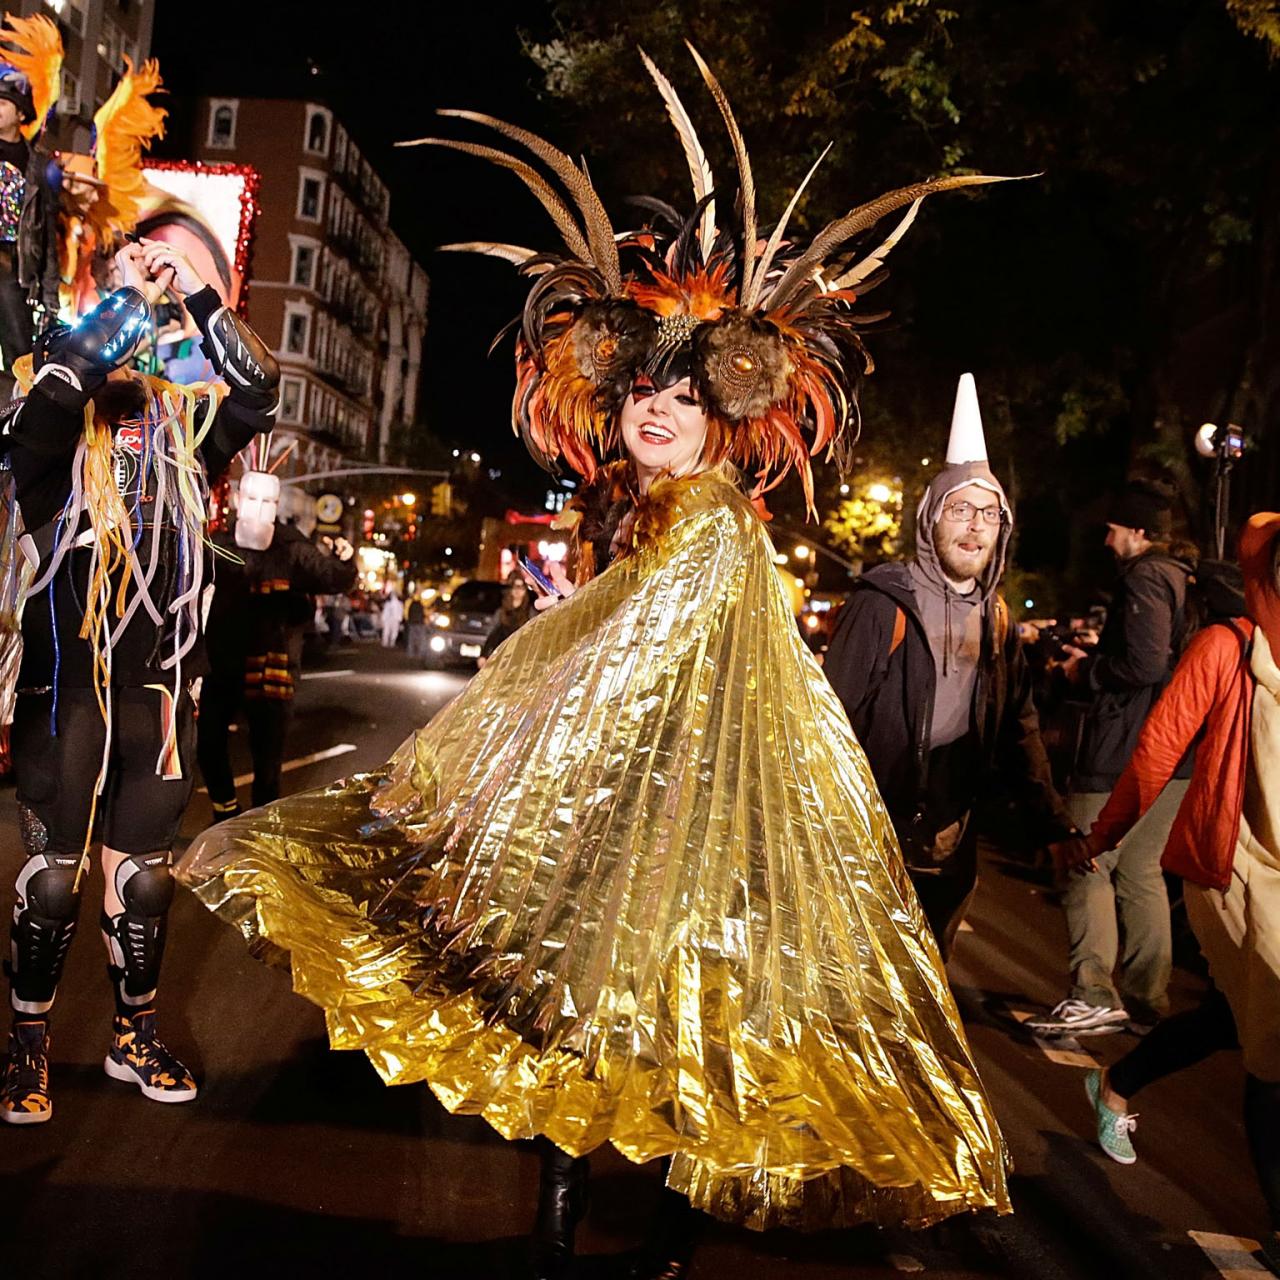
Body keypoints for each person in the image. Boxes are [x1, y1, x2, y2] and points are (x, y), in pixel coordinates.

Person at [178, 47, 1015, 1280]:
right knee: (586, 1036)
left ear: (727, 413)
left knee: (662, 1039)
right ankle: (583, 1233)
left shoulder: (714, 525)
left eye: (682, 392)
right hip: (633, 829)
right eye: (639, 392)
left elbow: (621, 671)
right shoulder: (662, 519)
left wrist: (477, 774)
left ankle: (644, 1238)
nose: (654, 407)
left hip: (693, 842)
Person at [0, 238, 279, 1124]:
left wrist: (193, 290)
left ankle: (135, 1034)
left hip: (158, 696)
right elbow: (73, 370)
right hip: (65, 691)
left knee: (148, 878)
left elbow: (261, 389)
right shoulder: (44, 433)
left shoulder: (188, 443)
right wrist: (123, 295)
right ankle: (28, 1046)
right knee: (52, 878)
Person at [1060, 513, 1280, 1275]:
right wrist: (1101, 837)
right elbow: (1158, 749)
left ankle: (1119, 1081)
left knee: (1235, 1018)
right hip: (1236, 872)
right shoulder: (1226, 647)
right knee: (1273, 1039)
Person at [824, 374, 1076, 957]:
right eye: (960, 509)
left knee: (927, 983)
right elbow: (827, 721)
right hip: (868, 836)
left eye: (989, 513)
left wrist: (1053, 824)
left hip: (948, 842)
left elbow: (1021, 728)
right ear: (930, 518)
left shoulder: (999, 621)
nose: (975, 524)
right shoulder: (881, 604)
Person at [1030, 482, 1196, 1036]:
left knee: (1087, 862)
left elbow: (1145, 665)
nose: (1106, 538)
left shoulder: (1147, 577)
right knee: (1143, 872)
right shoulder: (1185, 582)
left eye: (1114, 528)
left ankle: (1094, 991)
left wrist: (1088, 671)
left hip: (1127, 748)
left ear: (1139, 532)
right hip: (1178, 751)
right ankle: (1147, 1001)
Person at [197, 521, 357, 820]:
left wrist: (344, 559)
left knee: (267, 757)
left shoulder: (292, 549)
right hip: (223, 661)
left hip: (274, 666)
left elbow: (335, 578)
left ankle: (258, 825)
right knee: (208, 742)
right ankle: (226, 811)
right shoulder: (220, 544)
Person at [477, 573, 533, 667]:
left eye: (521, 587)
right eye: (515, 587)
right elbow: (492, 634)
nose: (517, 591)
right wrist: (484, 655)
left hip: (519, 659)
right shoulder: (501, 612)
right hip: (500, 657)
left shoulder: (530, 612)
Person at [405, 593, 428, 658]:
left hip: (412, 623)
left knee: (411, 639)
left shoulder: (411, 605)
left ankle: (410, 653)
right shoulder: (420, 605)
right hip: (420, 624)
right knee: (421, 639)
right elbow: (423, 614)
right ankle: (420, 653)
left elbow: (409, 614)